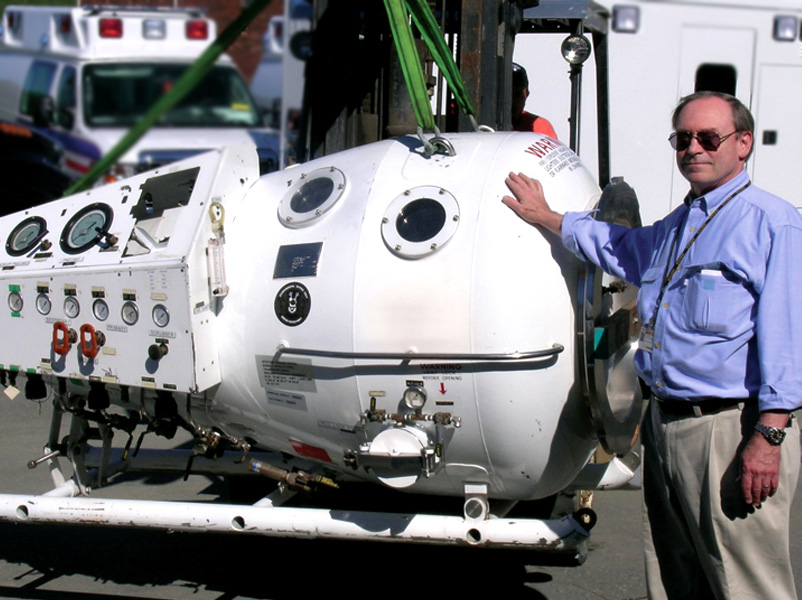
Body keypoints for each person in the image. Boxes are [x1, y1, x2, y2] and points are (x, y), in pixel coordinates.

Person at [502, 91, 802, 600]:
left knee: (745, 584)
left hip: (730, 431)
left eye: (709, 138)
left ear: (743, 143)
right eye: (682, 139)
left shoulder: (771, 224)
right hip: (665, 425)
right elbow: (622, 249)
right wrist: (549, 218)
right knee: (674, 577)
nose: (693, 148)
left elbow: (788, 339)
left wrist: (767, 438)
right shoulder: (682, 224)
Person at [511, 62, 558, 138]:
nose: (512, 101)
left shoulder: (539, 127)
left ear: (527, 94)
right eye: (508, 95)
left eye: (516, 95)